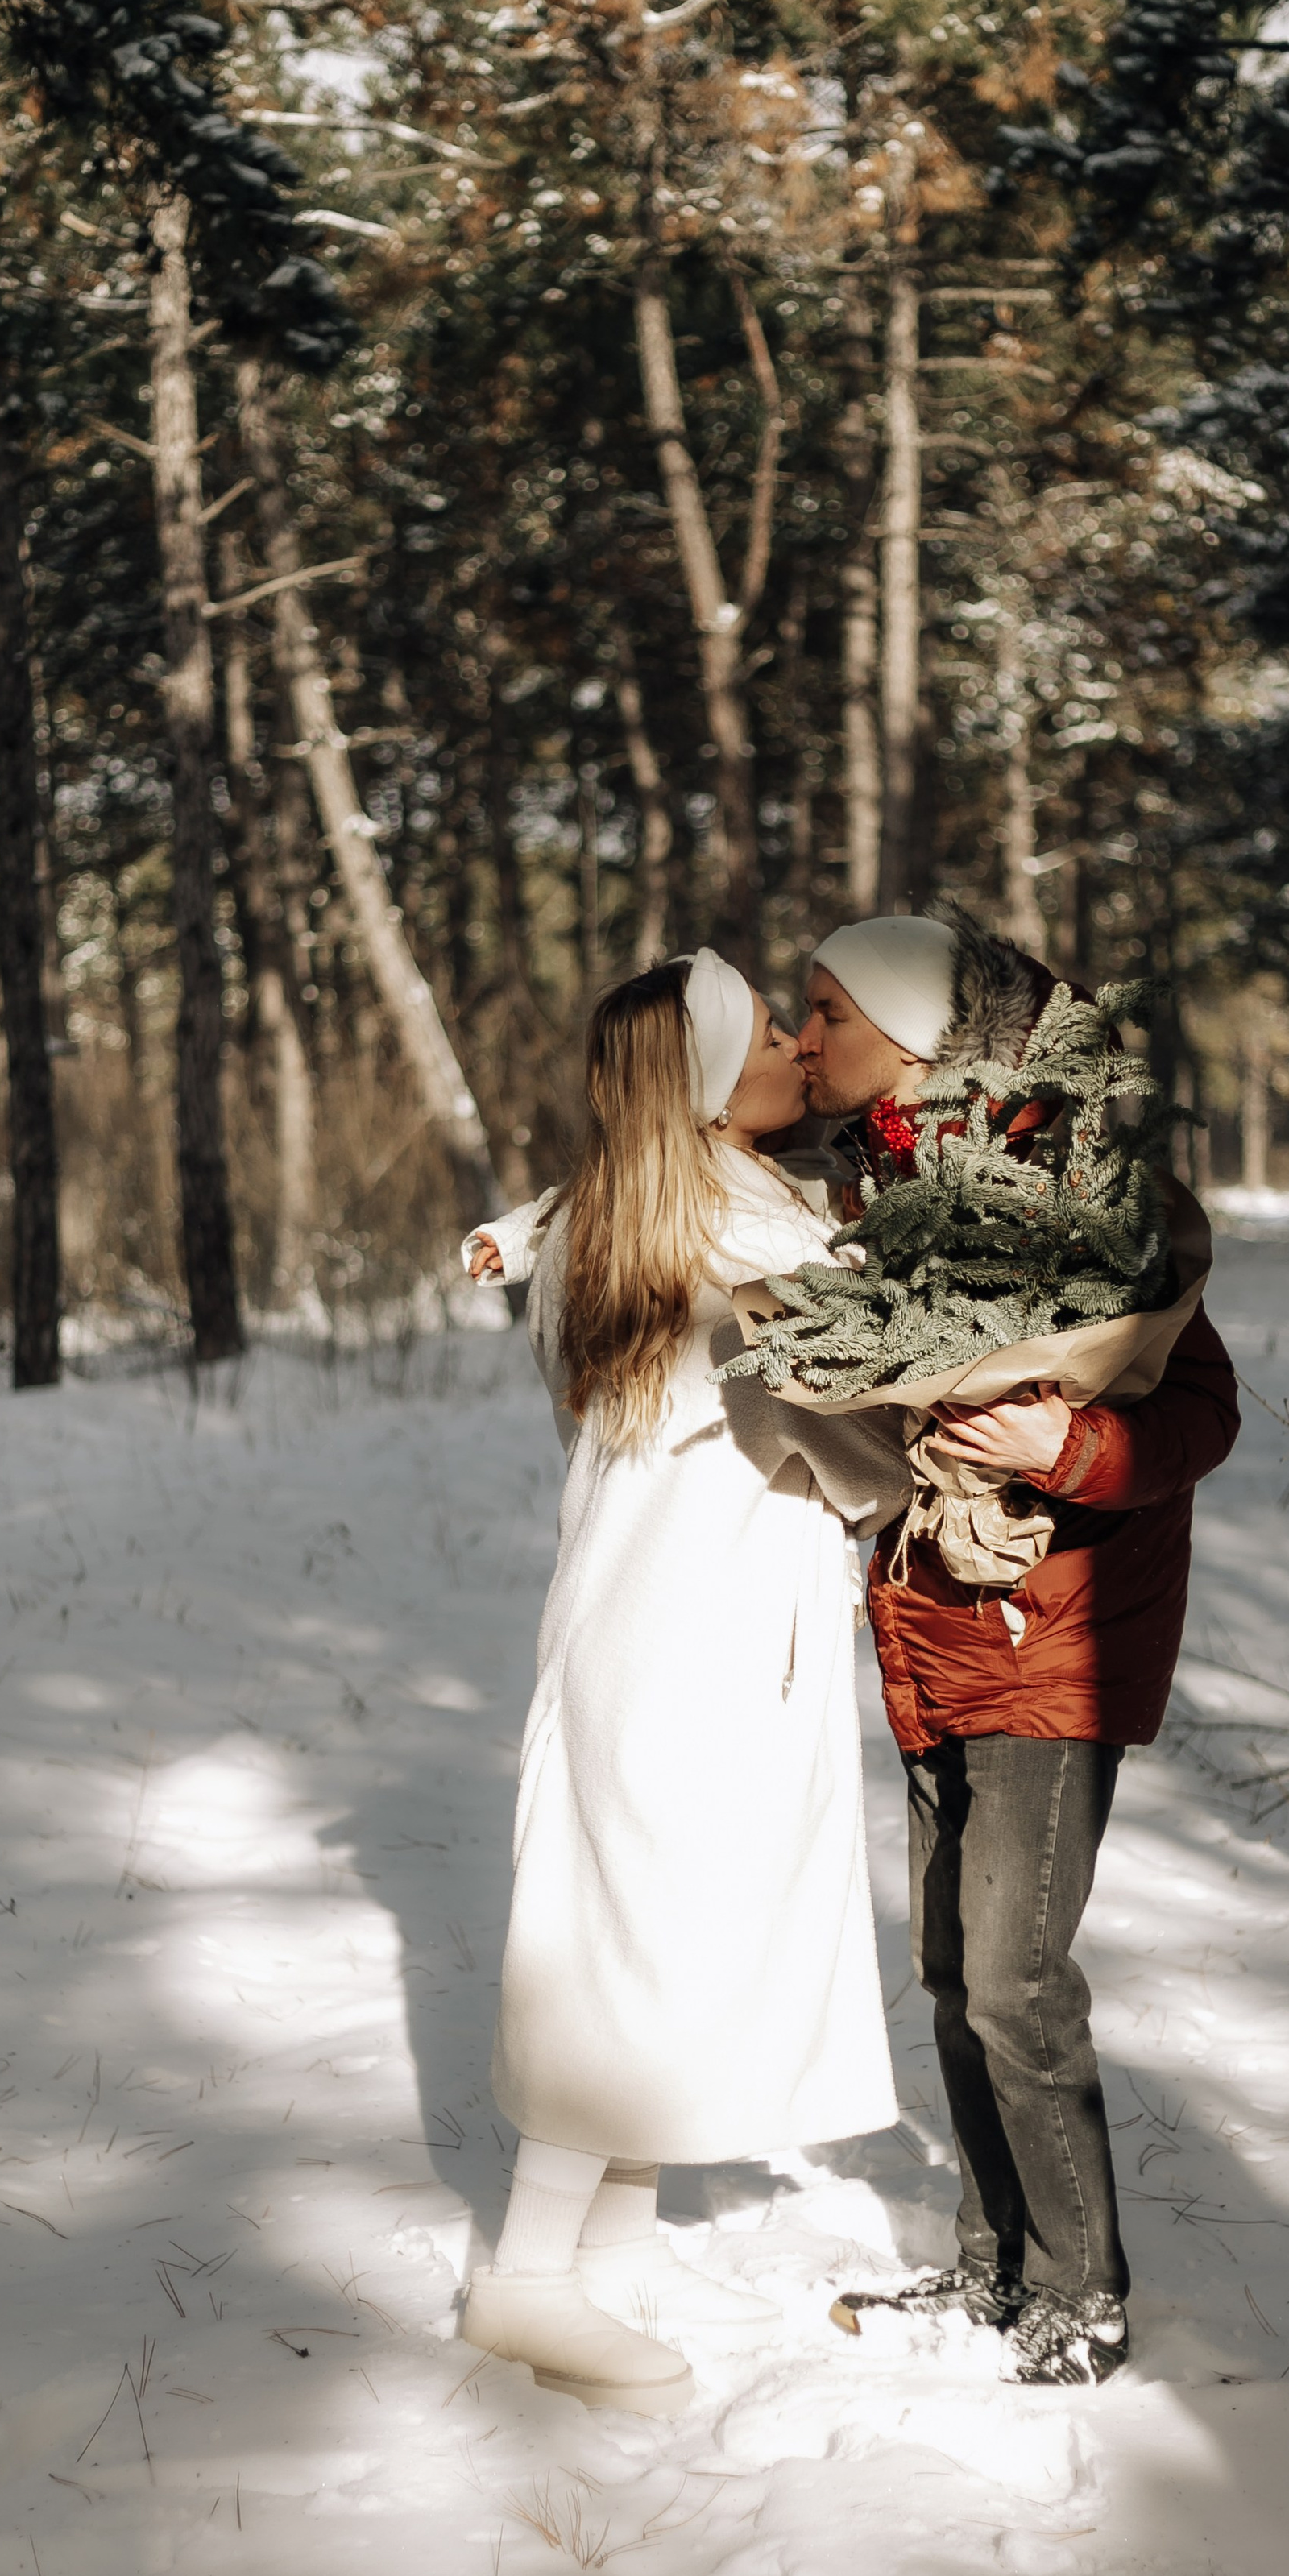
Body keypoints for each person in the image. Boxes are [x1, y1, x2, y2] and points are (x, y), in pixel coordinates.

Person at [794, 916, 1241, 2386]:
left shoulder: (1080, 1187)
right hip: (932, 1624)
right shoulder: (886, 1195)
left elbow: (1198, 1413)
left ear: (919, 1036)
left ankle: (1084, 2296)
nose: (804, 1041)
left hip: (1058, 1641)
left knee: (1014, 1980)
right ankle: (993, 2272)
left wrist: (1069, 1438)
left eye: (827, 1013)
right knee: (947, 1971)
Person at [458, 951, 905, 2415]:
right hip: (678, 1632)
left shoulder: (658, 1214)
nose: (798, 1045)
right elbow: (865, 1397)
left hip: (668, 1619)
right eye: (776, 1032)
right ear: (713, 1089)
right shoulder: (723, 1233)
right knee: (627, 1924)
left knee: (657, 1908)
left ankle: (613, 2231)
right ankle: (525, 2277)